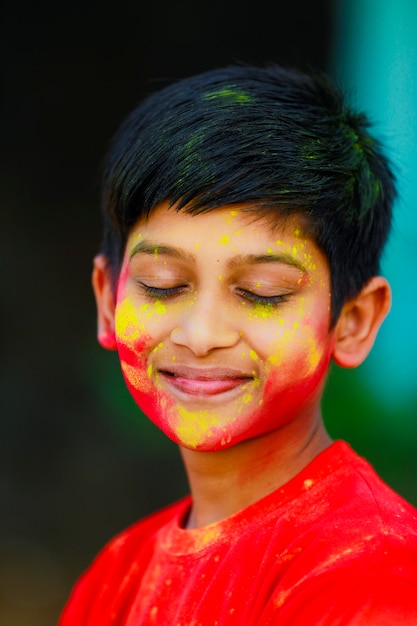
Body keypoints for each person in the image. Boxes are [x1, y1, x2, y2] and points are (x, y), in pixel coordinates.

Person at [59, 65, 417, 624]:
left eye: (261, 292)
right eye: (162, 284)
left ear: (352, 321)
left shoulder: (372, 572)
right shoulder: (117, 574)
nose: (201, 335)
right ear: (109, 301)